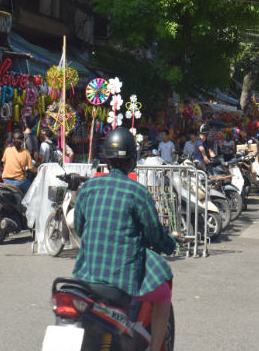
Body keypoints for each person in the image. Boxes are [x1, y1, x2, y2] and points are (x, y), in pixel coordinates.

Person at [73, 127, 177, 351]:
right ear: (133, 159)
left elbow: (80, 229)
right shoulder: (138, 193)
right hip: (120, 283)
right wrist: (171, 242)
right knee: (164, 293)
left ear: (106, 159)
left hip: (83, 280)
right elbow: (155, 236)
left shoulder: (88, 188)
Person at [1, 130, 37, 194]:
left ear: (13, 140)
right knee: (32, 193)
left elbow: (4, 164)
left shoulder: (7, 150)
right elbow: (31, 168)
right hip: (20, 182)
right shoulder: (26, 152)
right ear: (23, 141)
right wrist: (38, 170)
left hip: (6, 181)